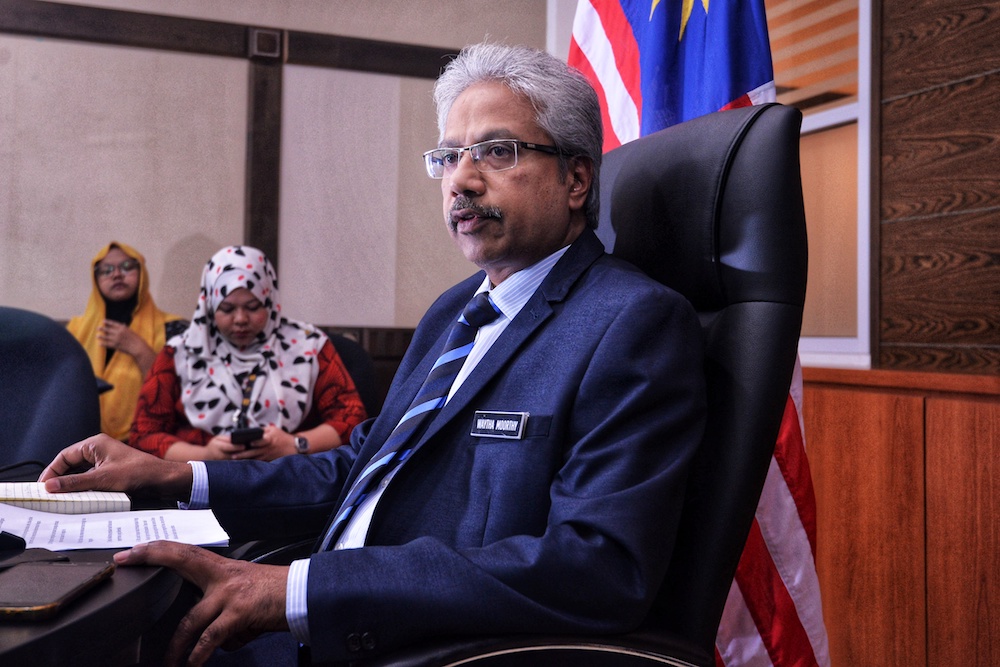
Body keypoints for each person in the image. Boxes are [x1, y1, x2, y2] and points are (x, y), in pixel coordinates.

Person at [40, 43, 707, 666]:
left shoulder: (631, 323)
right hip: (329, 616)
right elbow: (364, 466)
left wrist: (299, 591)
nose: (462, 180)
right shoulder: (455, 309)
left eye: (496, 152)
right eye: (448, 157)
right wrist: (175, 476)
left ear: (576, 180)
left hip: (421, 645)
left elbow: (597, 567)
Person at [129, 245, 368, 462]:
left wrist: (295, 444)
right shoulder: (181, 353)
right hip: (201, 479)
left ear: (270, 301)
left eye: (253, 307)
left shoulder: (308, 346)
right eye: (227, 309)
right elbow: (143, 435)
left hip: (289, 475)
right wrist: (205, 456)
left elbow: (352, 418)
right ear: (209, 307)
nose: (241, 319)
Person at [68, 241, 186, 441]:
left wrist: (139, 349)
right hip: (84, 443)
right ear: (95, 279)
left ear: (142, 274)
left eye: (126, 267)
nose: (116, 275)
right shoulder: (75, 331)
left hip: (151, 444)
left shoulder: (174, 329)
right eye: (106, 270)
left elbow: (180, 396)